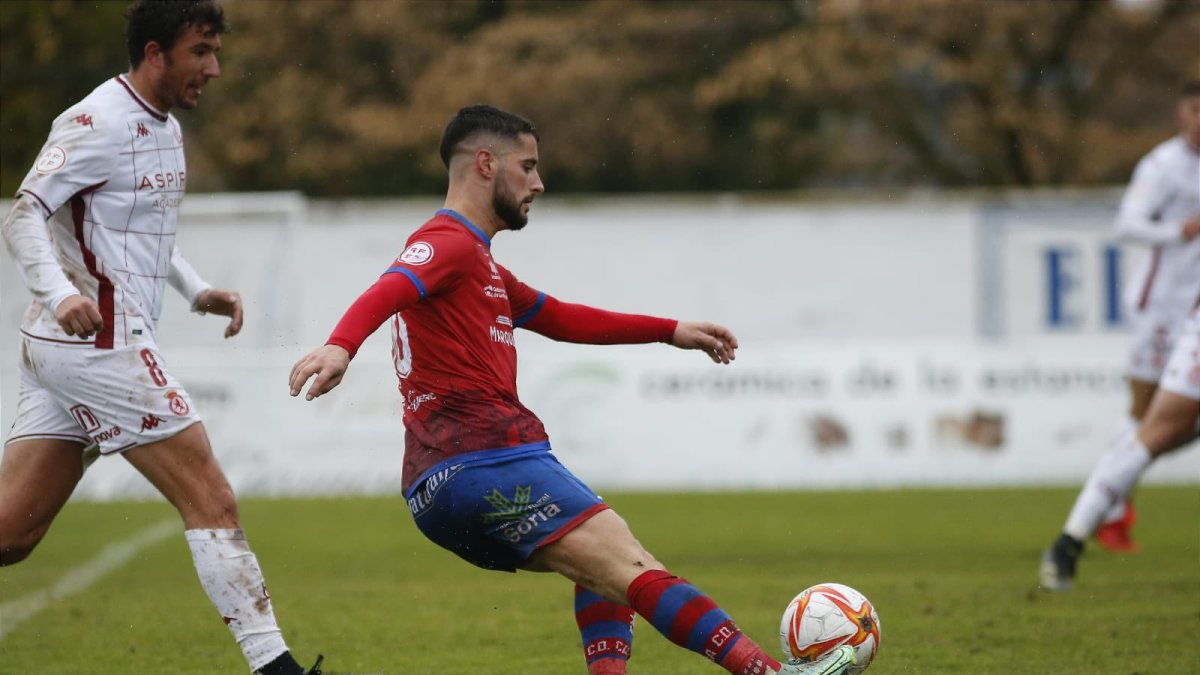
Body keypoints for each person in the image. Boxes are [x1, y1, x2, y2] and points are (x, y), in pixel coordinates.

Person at [288, 104, 857, 675]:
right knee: (632, 567)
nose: (539, 182)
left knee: (600, 570)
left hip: (434, 489)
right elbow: (392, 285)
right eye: (528, 166)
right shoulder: (448, 243)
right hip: (489, 459)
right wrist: (341, 345)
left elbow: (561, 317)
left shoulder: (481, 265)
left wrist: (669, 332)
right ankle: (772, 674)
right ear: (485, 164)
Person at [0, 2, 321, 673]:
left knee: (13, 533)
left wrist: (197, 288)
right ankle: (278, 668)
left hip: (77, 347)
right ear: (155, 54)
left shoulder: (166, 127)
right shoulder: (95, 121)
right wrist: (62, 296)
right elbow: (25, 212)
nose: (214, 67)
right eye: (201, 52)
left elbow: (139, 232)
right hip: (96, 344)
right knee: (211, 495)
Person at [1095, 80, 1200, 552]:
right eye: (1196, 110)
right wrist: (1178, 229)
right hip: (1162, 309)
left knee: (1174, 421)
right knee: (1144, 413)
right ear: (1181, 114)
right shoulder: (1162, 166)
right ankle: (1110, 513)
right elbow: (1126, 224)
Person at [1039, 302, 1200, 591]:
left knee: (1160, 429)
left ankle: (1073, 538)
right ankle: (1072, 539)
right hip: (1167, 310)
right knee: (1159, 428)